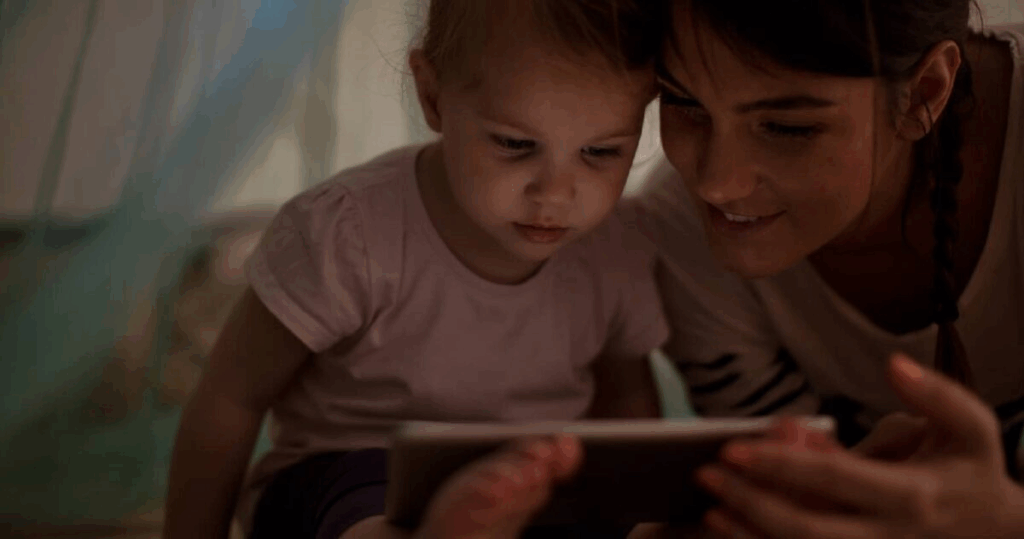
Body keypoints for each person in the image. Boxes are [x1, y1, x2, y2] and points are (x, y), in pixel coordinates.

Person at [161, 1, 671, 538]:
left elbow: (626, 404)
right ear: (432, 97)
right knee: (363, 510)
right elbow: (231, 399)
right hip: (350, 471)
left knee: (578, 504)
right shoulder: (347, 234)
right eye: (515, 144)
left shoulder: (616, 245)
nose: (555, 193)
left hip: (530, 476)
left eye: (601, 151)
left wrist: (642, 514)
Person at [630, 0, 1024, 536]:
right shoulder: (681, 234)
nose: (717, 184)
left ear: (925, 91)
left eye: (787, 127)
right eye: (681, 102)